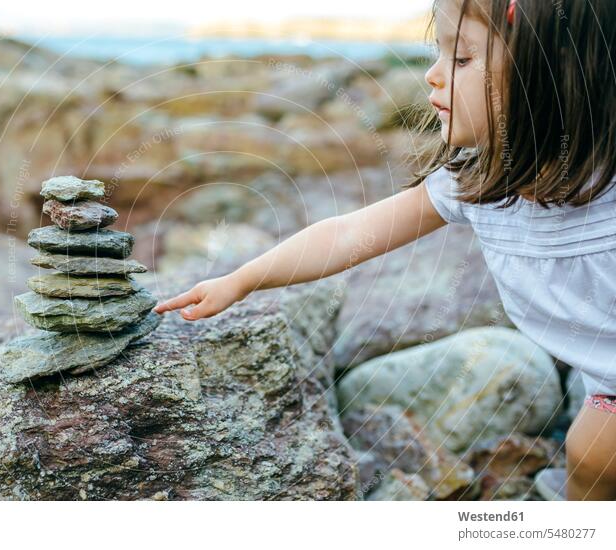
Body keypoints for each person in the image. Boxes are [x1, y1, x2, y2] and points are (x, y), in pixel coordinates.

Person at [152, 0, 616, 500]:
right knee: (588, 459)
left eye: (461, 60)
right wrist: (242, 279)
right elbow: (349, 235)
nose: (432, 76)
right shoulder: (473, 183)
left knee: (591, 451)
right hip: (601, 375)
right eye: (438, 54)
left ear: (557, 74)